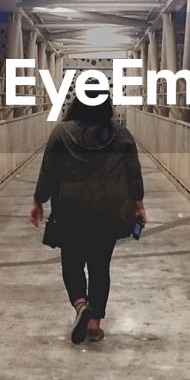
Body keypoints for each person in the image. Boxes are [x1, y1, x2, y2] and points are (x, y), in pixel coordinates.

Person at [29, 90, 146, 345]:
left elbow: (49, 169)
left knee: (71, 262)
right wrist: (138, 204)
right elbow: (133, 172)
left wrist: (39, 200)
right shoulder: (121, 135)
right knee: (100, 266)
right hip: (109, 211)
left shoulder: (62, 133)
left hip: (70, 209)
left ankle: (80, 304)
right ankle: (94, 325)